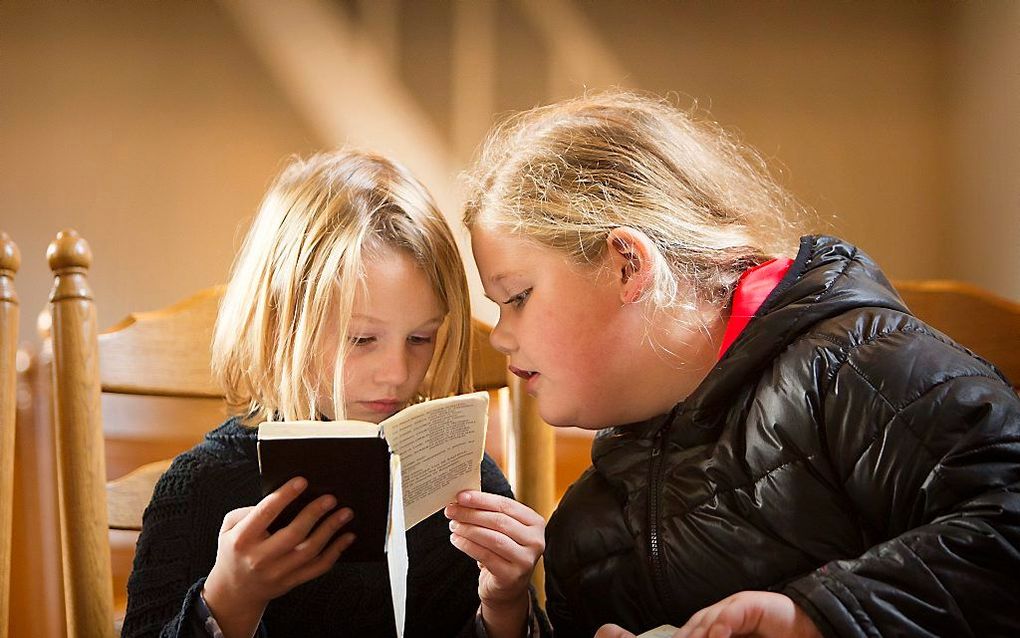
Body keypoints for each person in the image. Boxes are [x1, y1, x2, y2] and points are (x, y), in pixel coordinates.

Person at [463, 91, 1020, 638]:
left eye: (516, 297)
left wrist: (815, 618)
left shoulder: (858, 367)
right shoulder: (587, 529)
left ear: (627, 265)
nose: (502, 338)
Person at [122, 150, 546, 638]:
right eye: (362, 339)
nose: (397, 373)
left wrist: (505, 604)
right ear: (281, 326)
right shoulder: (201, 487)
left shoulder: (464, 481)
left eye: (420, 338)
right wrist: (229, 603)